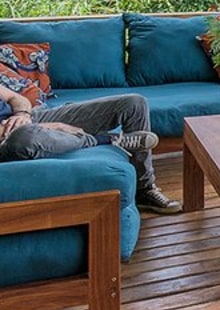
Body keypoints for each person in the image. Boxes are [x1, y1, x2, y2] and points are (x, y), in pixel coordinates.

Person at [0, 84, 182, 214]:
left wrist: (22, 114)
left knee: (134, 103)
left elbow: (16, 98)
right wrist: (52, 127)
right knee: (25, 138)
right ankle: (106, 140)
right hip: (11, 137)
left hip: (30, 118)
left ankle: (144, 189)